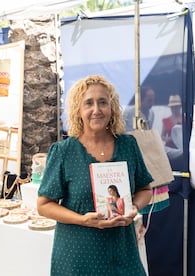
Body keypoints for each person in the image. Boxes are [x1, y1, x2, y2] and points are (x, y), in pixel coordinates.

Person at [37, 75, 153, 275]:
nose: (96, 110)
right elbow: (44, 205)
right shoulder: (64, 152)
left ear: (112, 107)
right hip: (77, 254)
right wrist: (83, 220)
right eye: (88, 103)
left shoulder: (128, 146)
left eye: (103, 102)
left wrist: (133, 207)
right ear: (78, 110)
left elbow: (145, 189)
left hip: (121, 251)